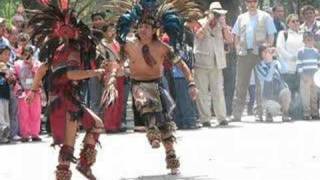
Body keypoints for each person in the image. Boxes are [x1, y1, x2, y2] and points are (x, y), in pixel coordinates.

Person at [109, 0, 199, 174]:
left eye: (147, 27)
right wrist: (112, 78)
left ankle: (171, 157)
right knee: (145, 100)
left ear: (154, 30)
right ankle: (151, 130)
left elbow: (182, 66)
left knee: (165, 124)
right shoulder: (128, 45)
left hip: (158, 85)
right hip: (138, 86)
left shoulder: (163, 47)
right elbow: (117, 63)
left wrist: (192, 83)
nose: (143, 29)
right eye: (141, 26)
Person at [26, 1, 106, 179]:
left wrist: (33, 90)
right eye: (63, 28)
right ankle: (83, 166)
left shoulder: (58, 49)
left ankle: (82, 166)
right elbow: (70, 74)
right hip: (66, 100)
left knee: (86, 131)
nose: (65, 32)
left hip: (62, 99)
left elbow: (41, 70)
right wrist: (94, 72)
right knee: (78, 137)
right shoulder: (71, 50)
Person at [232, 0, 277, 122]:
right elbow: (235, 35)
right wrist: (237, 49)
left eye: (254, 1)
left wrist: (267, 48)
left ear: (257, 2)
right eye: (249, 1)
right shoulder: (241, 17)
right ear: (245, 3)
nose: (251, 3)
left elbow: (271, 34)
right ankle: (236, 114)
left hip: (260, 54)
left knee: (262, 84)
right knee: (240, 84)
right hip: (244, 54)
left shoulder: (265, 16)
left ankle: (261, 113)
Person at [194, 2, 233, 127]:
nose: (217, 16)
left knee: (218, 91)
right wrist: (207, 22)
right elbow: (199, 35)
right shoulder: (200, 22)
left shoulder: (221, 25)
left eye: (219, 13)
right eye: (215, 13)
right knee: (202, 92)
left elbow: (230, 40)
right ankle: (205, 119)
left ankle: (221, 117)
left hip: (217, 62)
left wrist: (224, 25)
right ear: (209, 12)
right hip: (202, 61)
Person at [255, 44, 291, 122]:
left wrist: (278, 56)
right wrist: (272, 64)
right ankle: (269, 113)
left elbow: (285, 70)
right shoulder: (259, 66)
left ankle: (285, 113)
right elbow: (268, 79)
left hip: (278, 93)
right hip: (267, 97)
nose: (269, 53)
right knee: (275, 107)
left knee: (286, 91)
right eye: (266, 51)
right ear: (262, 54)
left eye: (269, 51)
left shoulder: (276, 63)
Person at [13, 45, 42, 142]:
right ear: (22, 54)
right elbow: (14, 77)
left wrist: (32, 65)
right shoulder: (17, 64)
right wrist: (18, 89)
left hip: (34, 91)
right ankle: (25, 134)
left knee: (35, 113)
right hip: (23, 92)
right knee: (23, 114)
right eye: (25, 54)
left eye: (29, 54)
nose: (27, 56)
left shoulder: (37, 64)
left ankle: (35, 133)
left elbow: (39, 75)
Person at [297, 32, 320, 120]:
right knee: (305, 95)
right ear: (304, 41)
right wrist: (302, 74)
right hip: (305, 75)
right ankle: (306, 113)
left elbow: (318, 63)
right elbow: (299, 63)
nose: (310, 42)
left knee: (314, 95)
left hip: (314, 76)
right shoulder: (301, 51)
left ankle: (314, 112)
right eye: (308, 40)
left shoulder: (316, 51)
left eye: (312, 40)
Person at [0, 45, 13, 143]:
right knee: (1, 117)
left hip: (5, 94)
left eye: (9, 54)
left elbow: (10, 80)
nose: (7, 56)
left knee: (5, 115)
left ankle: (5, 137)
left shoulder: (8, 65)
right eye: (5, 54)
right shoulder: (3, 66)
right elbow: (4, 69)